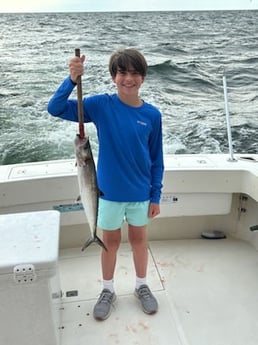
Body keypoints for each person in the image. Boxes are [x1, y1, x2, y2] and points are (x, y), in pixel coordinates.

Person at [48, 48, 164, 321]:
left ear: (143, 78)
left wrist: (155, 195)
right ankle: (108, 289)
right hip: (107, 193)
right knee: (109, 242)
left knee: (139, 241)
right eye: (122, 72)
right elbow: (55, 108)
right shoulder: (101, 105)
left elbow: (157, 159)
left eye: (135, 73)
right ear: (113, 77)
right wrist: (72, 80)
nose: (129, 78)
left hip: (140, 193)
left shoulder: (153, 115)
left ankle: (141, 285)